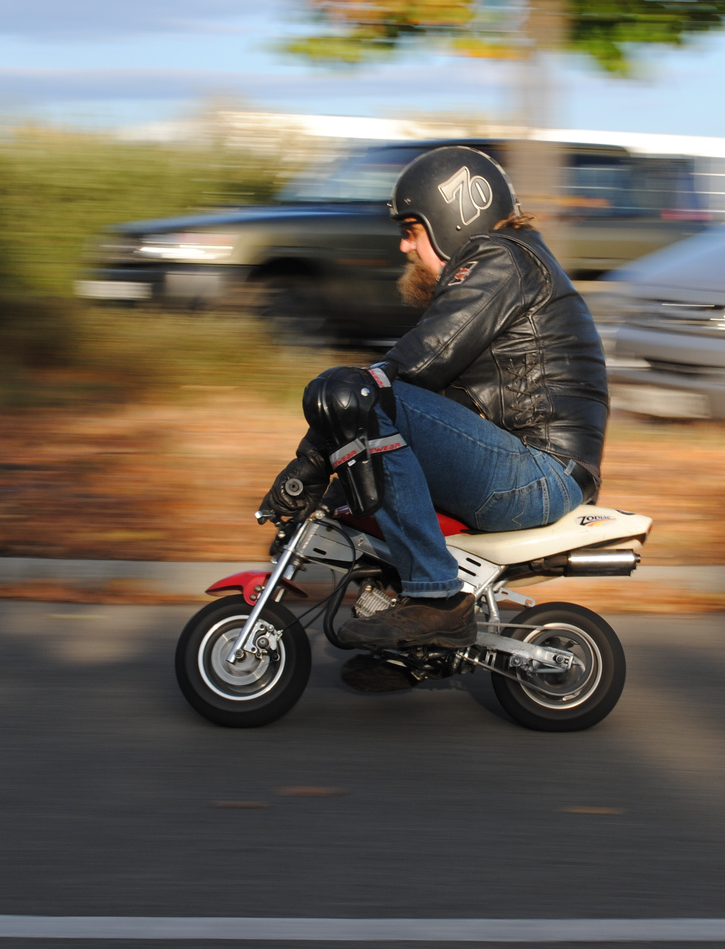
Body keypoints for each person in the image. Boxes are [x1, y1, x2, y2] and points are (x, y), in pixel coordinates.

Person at [260, 146, 609, 650]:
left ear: (452, 218)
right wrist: (324, 486)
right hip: (520, 463)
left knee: (354, 390)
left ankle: (438, 601)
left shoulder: (499, 258)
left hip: (537, 472)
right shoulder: (508, 264)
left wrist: (311, 460)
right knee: (356, 473)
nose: (404, 247)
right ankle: (407, 643)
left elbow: (419, 362)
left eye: (411, 230)